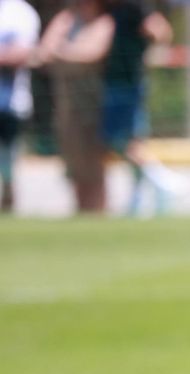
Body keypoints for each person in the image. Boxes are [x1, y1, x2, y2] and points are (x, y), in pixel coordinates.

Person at [101, 0, 180, 216]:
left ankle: (163, 181)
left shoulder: (134, 7)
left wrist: (146, 49)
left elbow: (160, 30)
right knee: (124, 143)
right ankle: (139, 198)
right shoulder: (110, 9)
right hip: (115, 82)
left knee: (128, 142)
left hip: (129, 83)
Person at [34, 0, 109, 215]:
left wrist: (61, 52)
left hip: (93, 105)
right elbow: (43, 53)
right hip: (65, 105)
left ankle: (97, 213)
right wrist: (69, 52)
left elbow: (92, 54)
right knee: (73, 164)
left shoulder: (103, 21)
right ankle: (81, 211)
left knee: (93, 165)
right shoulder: (66, 19)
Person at [0, 0, 40, 213]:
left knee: (7, 157)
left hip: (9, 102)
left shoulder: (20, 12)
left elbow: (23, 53)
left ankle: (8, 202)